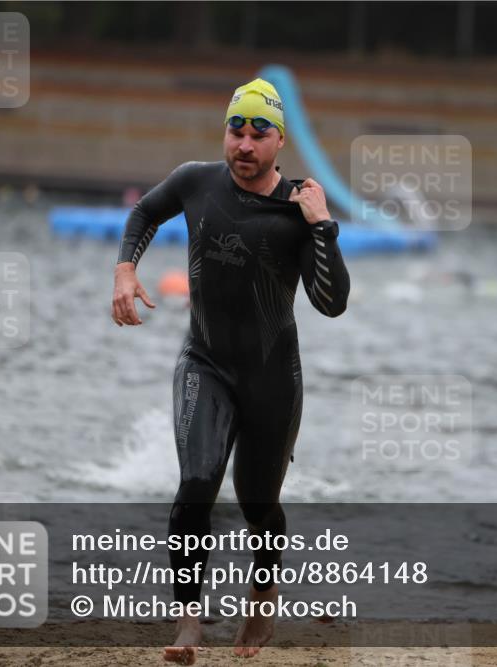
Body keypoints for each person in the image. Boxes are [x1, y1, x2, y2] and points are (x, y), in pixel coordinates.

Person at [111, 77, 350, 662]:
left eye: (258, 133)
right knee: (196, 482)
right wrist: (124, 270)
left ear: (279, 141)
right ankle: (189, 620)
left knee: (257, 501)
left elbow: (331, 301)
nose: (244, 144)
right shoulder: (196, 180)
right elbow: (145, 211)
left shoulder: (299, 205)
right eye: (235, 130)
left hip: (273, 377)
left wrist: (321, 225)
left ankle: (262, 596)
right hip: (205, 362)